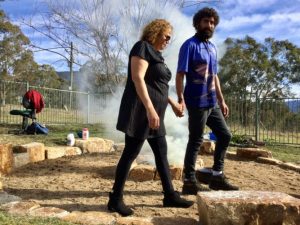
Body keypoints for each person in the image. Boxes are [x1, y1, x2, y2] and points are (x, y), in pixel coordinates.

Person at [107, 19, 193, 217]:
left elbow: (157, 86)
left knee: (161, 153)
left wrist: (172, 104)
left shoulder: (157, 56)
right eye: (166, 36)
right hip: (141, 112)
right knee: (130, 153)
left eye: (170, 38)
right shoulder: (143, 47)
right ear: (156, 32)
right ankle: (115, 199)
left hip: (154, 113)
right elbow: (137, 78)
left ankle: (169, 196)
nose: (168, 41)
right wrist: (150, 109)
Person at [176, 7, 239, 195]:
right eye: (206, 21)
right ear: (198, 23)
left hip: (212, 103)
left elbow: (215, 76)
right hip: (196, 102)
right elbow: (180, 74)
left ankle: (217, 176)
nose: (209, 25)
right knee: (195, 140)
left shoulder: (213, 48)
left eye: (212, 22)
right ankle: (189, 181)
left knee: (225, 135)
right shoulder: (189, 45)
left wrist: (222, 100)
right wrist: (180, 99)